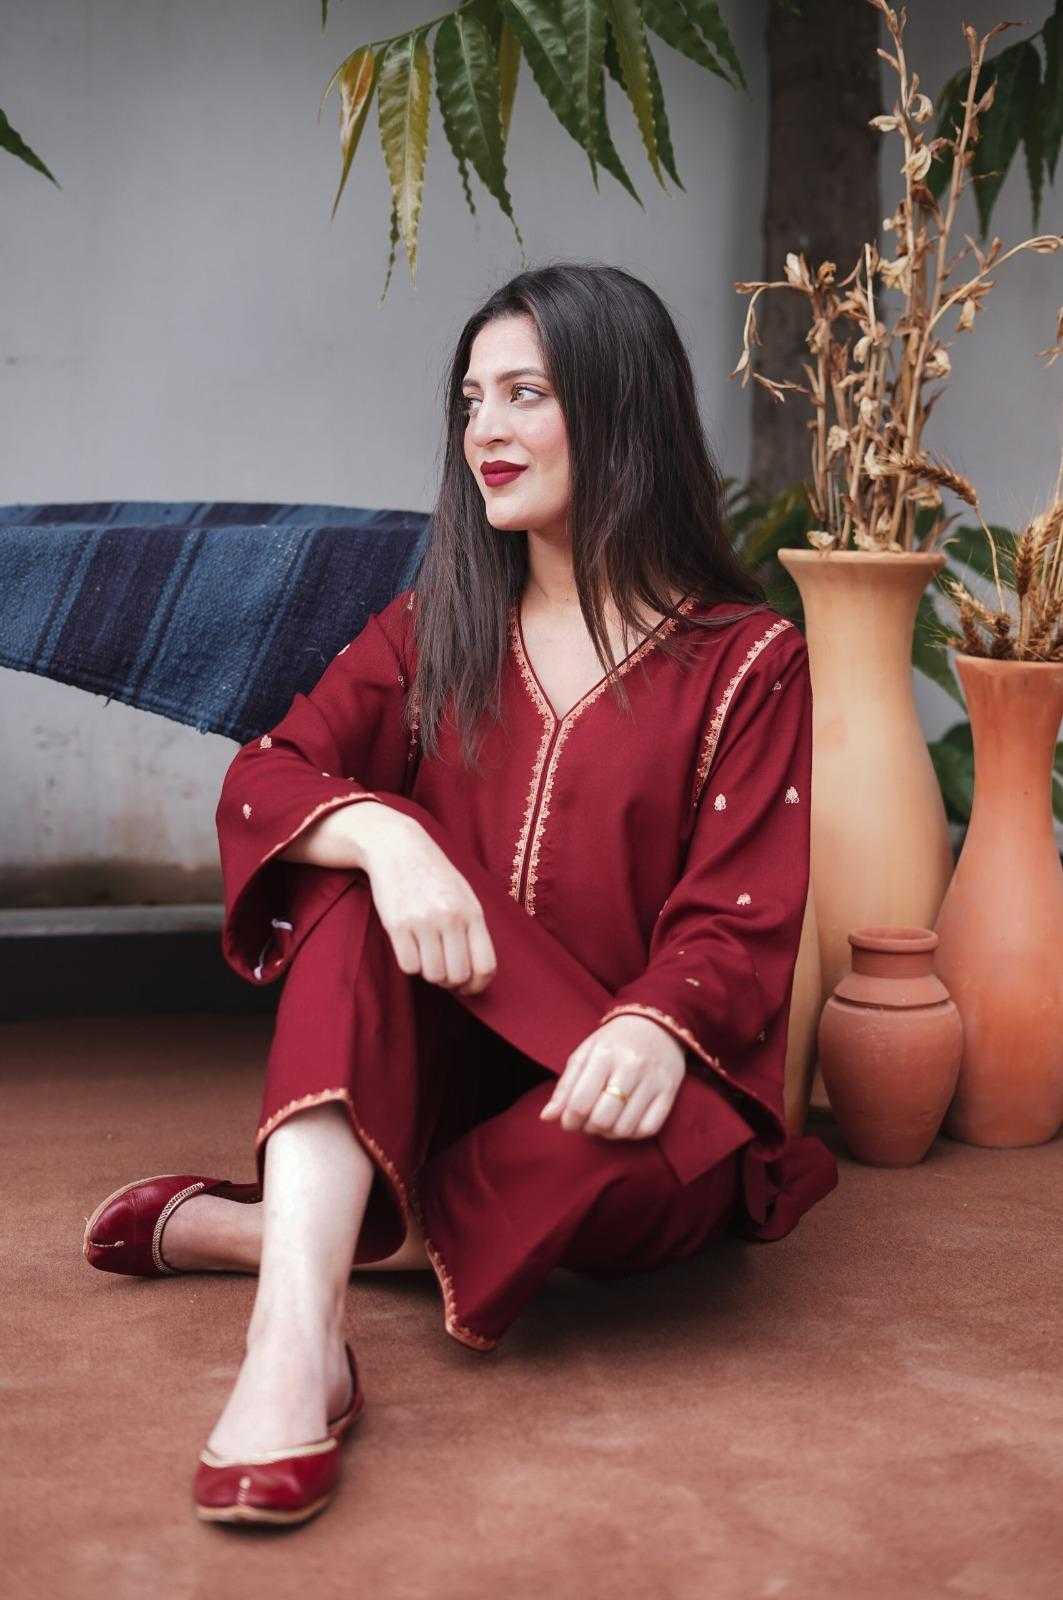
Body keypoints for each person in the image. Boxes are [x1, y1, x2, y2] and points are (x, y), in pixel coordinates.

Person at [83, 261, 838, 1528]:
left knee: (653, 1171)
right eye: (471, 398)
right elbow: (272, 773)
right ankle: (292, 1351)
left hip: (619, 1084)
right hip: (439, 1062)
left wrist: (659, 1022)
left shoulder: (748, 661)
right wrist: (386, 833)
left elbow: (740, 914)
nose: (483, 429)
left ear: (621, 409)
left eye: (526, 393)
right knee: (344, 881)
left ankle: (274, 1234)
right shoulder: (435, 627)